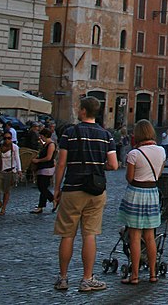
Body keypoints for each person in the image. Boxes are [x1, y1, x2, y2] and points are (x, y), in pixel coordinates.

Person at [53, 96, 118, 293]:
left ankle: (63, 278)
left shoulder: (69, 133)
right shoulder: (106, 135)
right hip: (95, 190)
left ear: (83, 111)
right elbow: (114, 165)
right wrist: (98, 165)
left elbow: (61, 163)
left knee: (67, 235)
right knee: (89, 234)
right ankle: (87, 278)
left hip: (72, 188)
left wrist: (57, 189)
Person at [117, 119, 166, 285]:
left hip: (136, 194)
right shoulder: (161, 151)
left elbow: (130, 178)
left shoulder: (134, 154)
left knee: (135, 237)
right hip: (152, 193)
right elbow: (158, 174)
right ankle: (153, 273)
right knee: (150, 236)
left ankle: (135, 275)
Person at [0, 129, 22, 215]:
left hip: (9, 170)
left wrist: (19, 170)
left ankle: (3, 208)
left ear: (11, 138)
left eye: (9, 138)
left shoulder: (14, 147)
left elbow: (17, 158)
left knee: (6, 190)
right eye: (5, 138)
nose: (7, 140)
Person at [31, 124, 57, 213]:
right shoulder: (46, 144)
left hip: (47, 168)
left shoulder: (51, 144)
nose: (40, 137)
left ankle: (53, 200)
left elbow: (49, 157)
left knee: (42, 187)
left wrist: (38, 160)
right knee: (42, 187)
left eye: (41, 136)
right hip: (43, 167)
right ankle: (41, 206)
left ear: (44, 135)